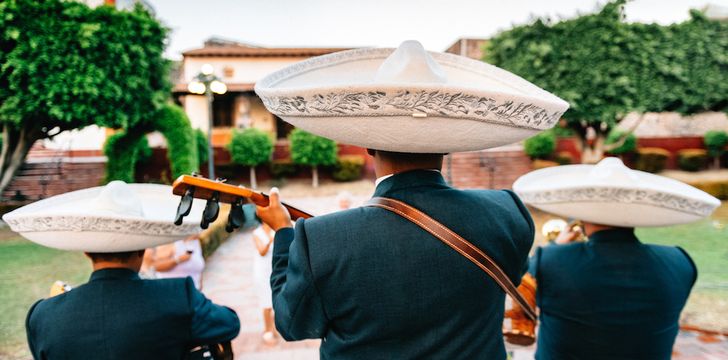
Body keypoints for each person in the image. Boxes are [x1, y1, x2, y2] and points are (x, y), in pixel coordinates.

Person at [253, 40, 569, 358]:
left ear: (368, 145)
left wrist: (283, 234)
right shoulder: (507, 213)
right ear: (447, 145)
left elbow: (292, 323)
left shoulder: (320, 239)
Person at [4, 181, 240, 360]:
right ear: (144, 249)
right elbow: (230, 324)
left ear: (86, 251)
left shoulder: (42, 316)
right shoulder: (178, 297)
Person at [513, 157, 721, 360]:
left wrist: (556, 247)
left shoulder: (549, 259)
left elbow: (519, 298)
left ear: (581, 211)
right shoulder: (680, 261)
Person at [251, 222, 279, 344]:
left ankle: (273, 327)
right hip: (262, 271)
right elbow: (262, 251)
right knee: (266, 303)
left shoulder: (276, 229)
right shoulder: (257, 233)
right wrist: (270, 240)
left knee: (275, 301)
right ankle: (267, 332)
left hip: (275, 270)